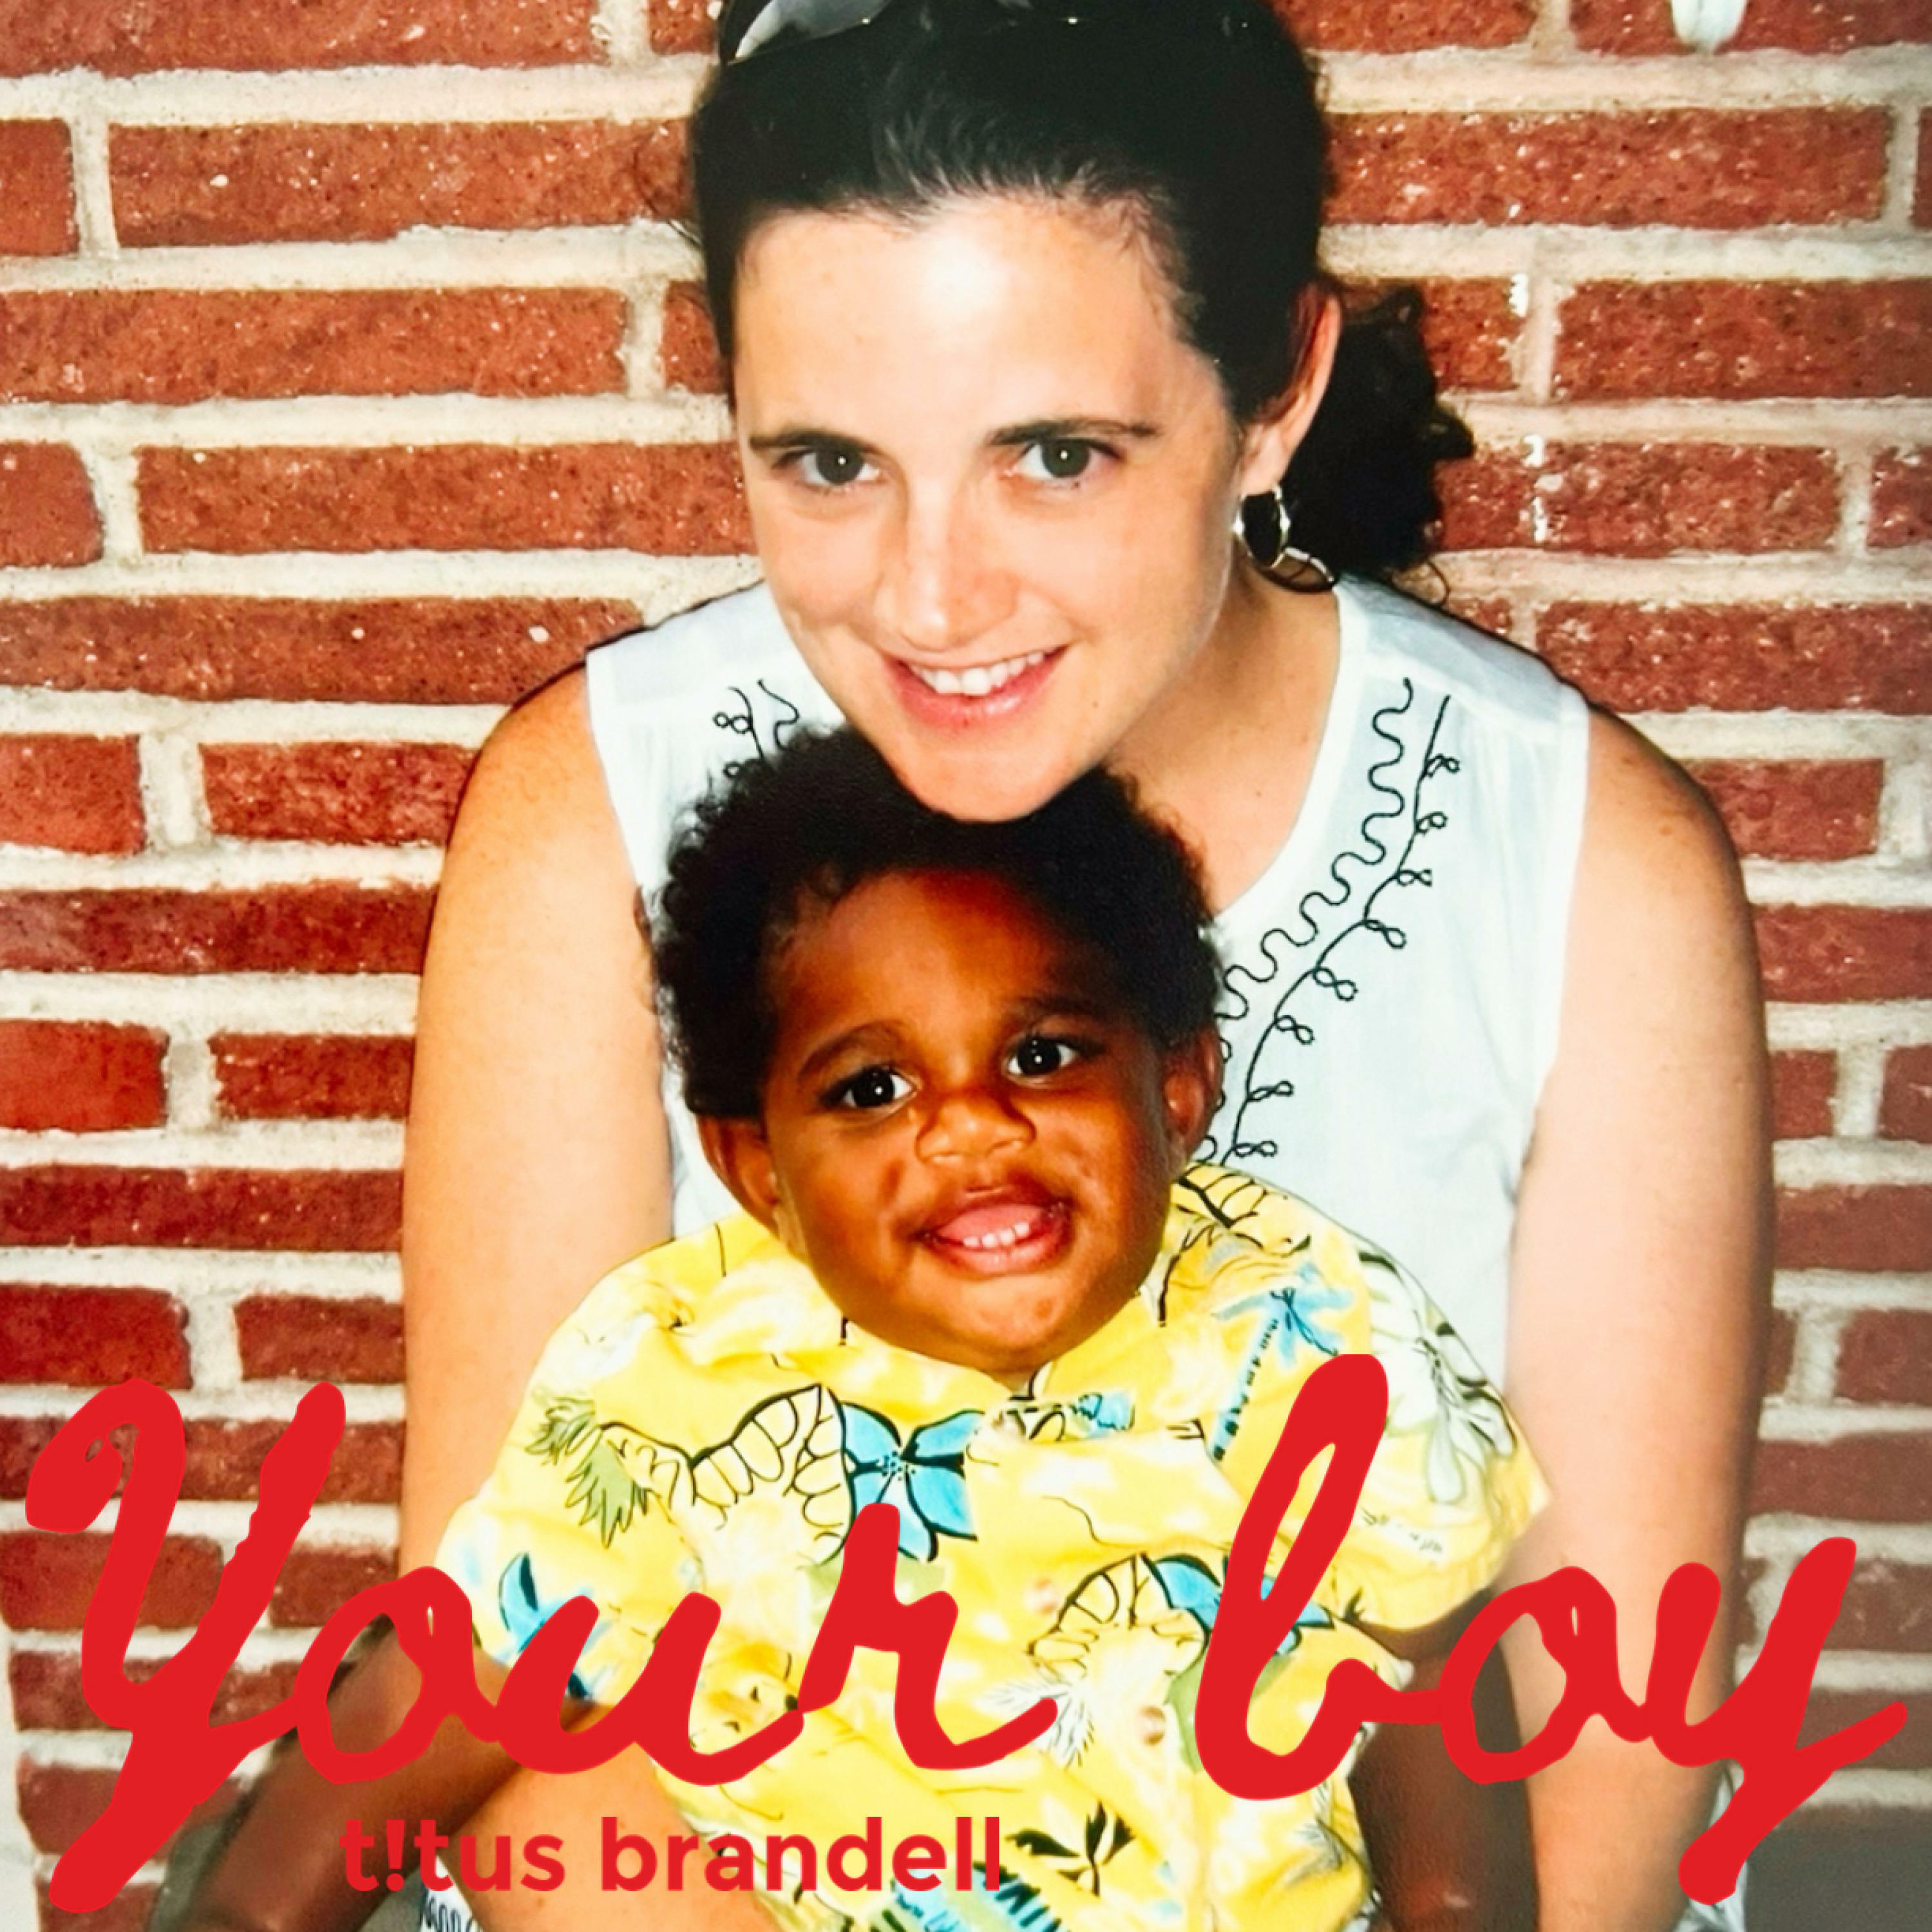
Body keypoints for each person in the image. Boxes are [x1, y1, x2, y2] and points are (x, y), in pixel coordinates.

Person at [399, 3, 1771, 1927]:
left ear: (1274, 391)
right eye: (829, 461)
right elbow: (514, 1682)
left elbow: (1604, 1741)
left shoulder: (1586, 866)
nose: (930, 597)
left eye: (1054, 455)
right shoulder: (592, 815)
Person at [186, 730, 1540, 1932]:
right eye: (873, 1088)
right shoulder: (685, 1372)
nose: (970, 1127)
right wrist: (253, 1913)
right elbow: (465, 1675)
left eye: (1043, 1055)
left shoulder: (1311, 1325)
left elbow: (1425, 1682)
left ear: (1176, 1084)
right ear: (759, 1170)